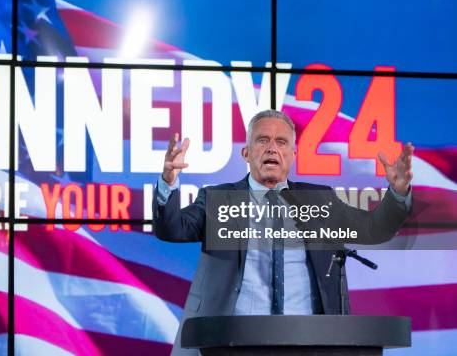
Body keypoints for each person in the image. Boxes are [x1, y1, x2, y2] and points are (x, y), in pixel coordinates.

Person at [152, 109, 414, 356]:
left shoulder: (319, 200)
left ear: (293, 154)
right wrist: (168, 182)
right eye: (262, 140)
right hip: (230, 341)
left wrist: (398, 194)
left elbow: (373, 229)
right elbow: (172, 228)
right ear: (245, 152)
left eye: (281, 142)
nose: (272, 148)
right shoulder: (218, 198)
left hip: (309, 342)